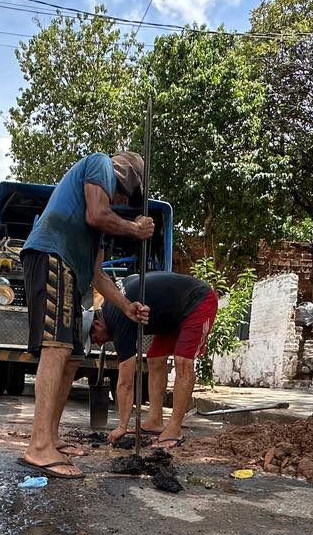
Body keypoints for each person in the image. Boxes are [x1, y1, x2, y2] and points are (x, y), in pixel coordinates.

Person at [18, 150, 154, 479]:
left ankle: (50, 437)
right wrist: (135, 229)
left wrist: (126, 307)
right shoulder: (101, 164)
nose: (120, 200)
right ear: (123, 178)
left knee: (73, 356)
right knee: (57, 348)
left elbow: (99, 277)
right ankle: (38, 447)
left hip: (71, 274)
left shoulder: (96, 232)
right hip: (52, 255)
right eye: (123, 194)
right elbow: (97, 213)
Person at [90, 270, 217, 450]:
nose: (98, 343)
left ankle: (174, 428)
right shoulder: (114, 307)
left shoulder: (118, 318)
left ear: (97, 324)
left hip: (197, 301)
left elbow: (125, 382)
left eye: (94, 338)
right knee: (155, 360)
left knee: (183, 362)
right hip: (171, 314)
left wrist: (122, 427)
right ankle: (154, 420)